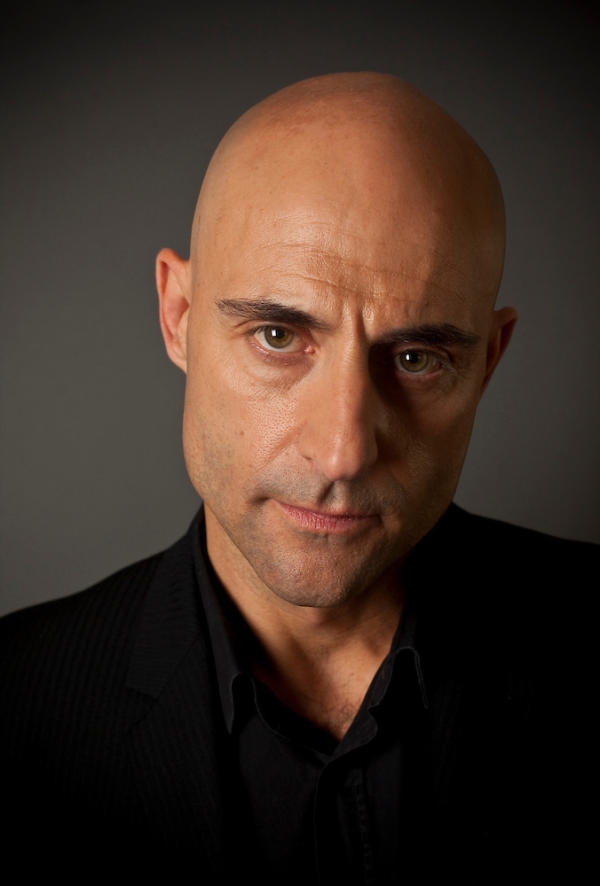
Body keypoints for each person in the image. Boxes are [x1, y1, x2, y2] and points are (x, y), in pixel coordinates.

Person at [1, 72, 597, 882]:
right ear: (179, 316)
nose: (343, 452)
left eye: (417, 358)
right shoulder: (15, 704)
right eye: (278, 336)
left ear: (487, 361)